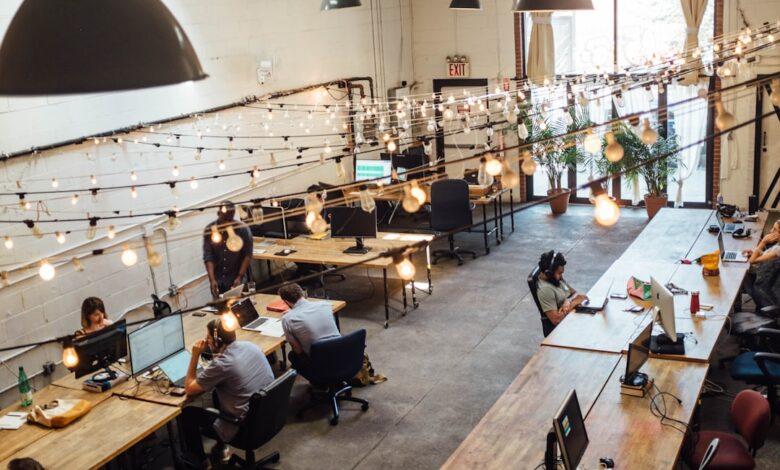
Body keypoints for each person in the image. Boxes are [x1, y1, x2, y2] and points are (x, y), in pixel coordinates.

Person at [181, 318, 274, 467]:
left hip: (244, 428)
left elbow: (189, 389)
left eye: (209, 338)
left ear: (218, 340)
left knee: (187, 414)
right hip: (269, 417)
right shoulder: (250, 346)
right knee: (217, 395)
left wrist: (195, 355)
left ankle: (202, 462)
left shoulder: (223, 364)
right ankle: (221, 448)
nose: (207, 341)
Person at [279, 283, 340, 378]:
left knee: (293, 356)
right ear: (302, 293)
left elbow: (298, 350)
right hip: (341, 352)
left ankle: (320, 381)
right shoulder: (325, 305)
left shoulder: (287, 319)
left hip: (320, 361)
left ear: (286, 302)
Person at [203, 200, 254, 298]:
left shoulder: (242, 229)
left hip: (236, 278)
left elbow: (248, 255)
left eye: (230, 218)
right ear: (218, 213)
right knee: (220, 308)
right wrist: (212, 280)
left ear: (233, 214)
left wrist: (240, 276)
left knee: (239, 306)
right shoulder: (210, 230)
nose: (227, 222)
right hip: (218, 279)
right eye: (224, 218)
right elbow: (208, 257)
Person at [536, 251, 587, 326]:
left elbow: (574, 293)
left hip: (571, 315)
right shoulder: (545, 290)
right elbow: (556, 320)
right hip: (563, 326)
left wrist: (568, 301)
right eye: (559, 273)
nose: (561, 276)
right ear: (548, 273)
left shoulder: (555, 278)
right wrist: (574, 302)